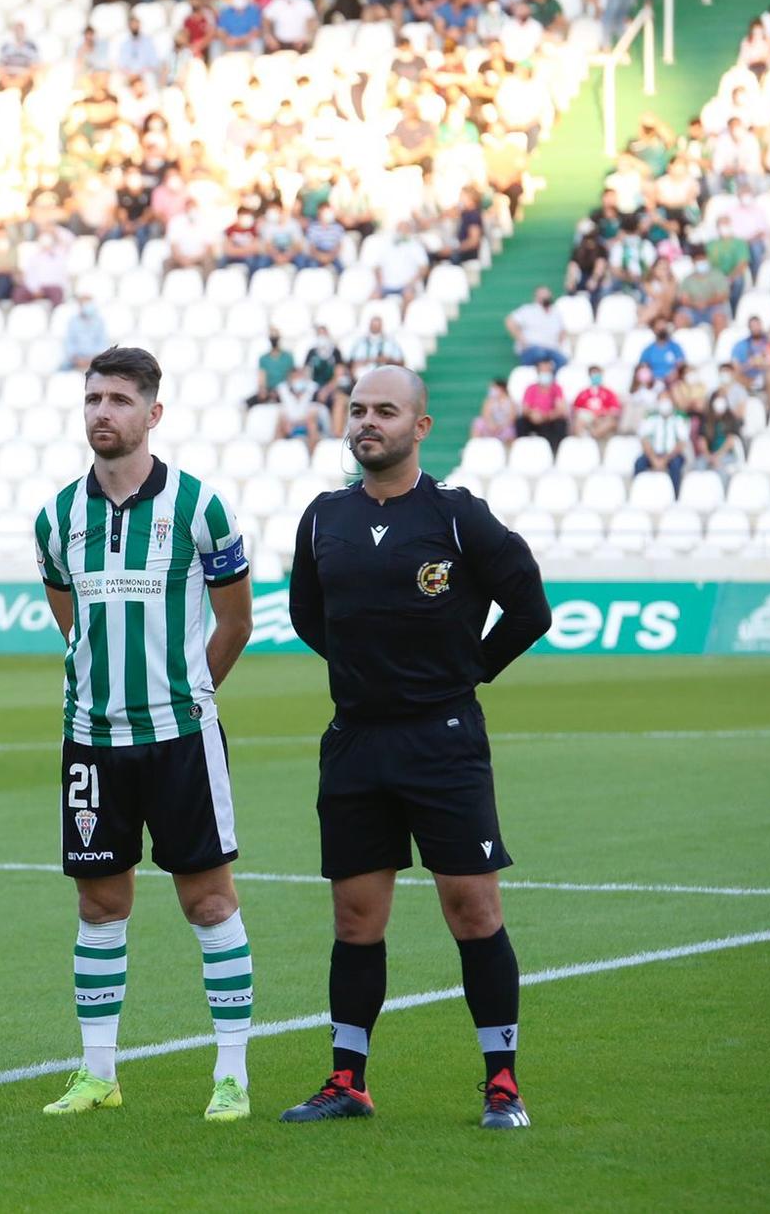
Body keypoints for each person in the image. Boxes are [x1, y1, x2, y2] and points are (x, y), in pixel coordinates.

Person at [284, 365, 550, 1130]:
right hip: (356, 743)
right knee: (355, 919)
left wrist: (471, 670)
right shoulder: (323, 518)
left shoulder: (459, 516)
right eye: (359, 409)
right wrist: (362, 673)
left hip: (443, 742)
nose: (369, 421)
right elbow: (309, 616)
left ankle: (503, 1084)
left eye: (387, 411)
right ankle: (347, 1082)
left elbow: (529, 607)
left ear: (420, 427)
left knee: (472, 908)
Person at [32, 346, 257, 1121]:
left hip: (182, 738)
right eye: (94, 398)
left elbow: (236, 622)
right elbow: (72, 621)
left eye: (120, 400)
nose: (103, 412)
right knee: (99, 905)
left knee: (208, 900)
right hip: (91, 741)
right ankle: (99, 1072)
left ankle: (232, 1074)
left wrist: (186, 694)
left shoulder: (201, 507)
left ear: (152, 413)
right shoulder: (57, 516)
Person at [634, 391, 689, 493]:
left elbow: (681, 443)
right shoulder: (650, 417)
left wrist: (665, 459)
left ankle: (675, 496)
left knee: (676, 465)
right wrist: (653, 458)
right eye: (662, 400)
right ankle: (637, 493)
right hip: (653, 453)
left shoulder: (679, 418)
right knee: (639, 463)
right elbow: (644, 440)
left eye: (667, 400)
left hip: (672, 455)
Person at [505, 286, 569, 368]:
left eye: (547, 295)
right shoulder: (527, 310)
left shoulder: (556, 312)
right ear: (536, 297)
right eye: (542, 295)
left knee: (562, 361)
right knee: (540, 355)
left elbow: (562, 330)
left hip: (552, 349)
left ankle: (549, 379)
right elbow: (510, 321)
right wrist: (520, 338)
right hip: (532, 349)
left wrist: (560, 342)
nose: (545, 297)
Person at [515, 360, 568, 450]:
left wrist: (545, 416)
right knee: (521, 422)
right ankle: (522, 449)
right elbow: (525, 409)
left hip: (550, 419)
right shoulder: (531, 388)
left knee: (560, 424)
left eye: (547, 371)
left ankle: (554, 451)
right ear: (538, 372)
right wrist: (533, 414)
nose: (545, 374)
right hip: (534, 419)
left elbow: (561, 409)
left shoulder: (556, 388)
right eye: (542, 371)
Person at [571, 366, 623, 440]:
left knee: (610, 422)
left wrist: (601, 414)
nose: (595, 376)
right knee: (579, 421)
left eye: (597, 373)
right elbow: (576, 411)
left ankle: (592, 436)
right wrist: (593, 416)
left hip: (603, 419)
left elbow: (615, 411)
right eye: (593, 373)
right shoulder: (583, 393)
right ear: (589, 376)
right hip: (588, 420)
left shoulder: (609, 393)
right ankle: (583, 442)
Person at [61, 293, 108, 370]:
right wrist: (76, 359)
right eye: (85, 304)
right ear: (80, 306)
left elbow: (102, 343)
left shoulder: (99, 321)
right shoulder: (73, 321)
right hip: (75, 361)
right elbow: (69, 343)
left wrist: (92, 359)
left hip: (95, 360)